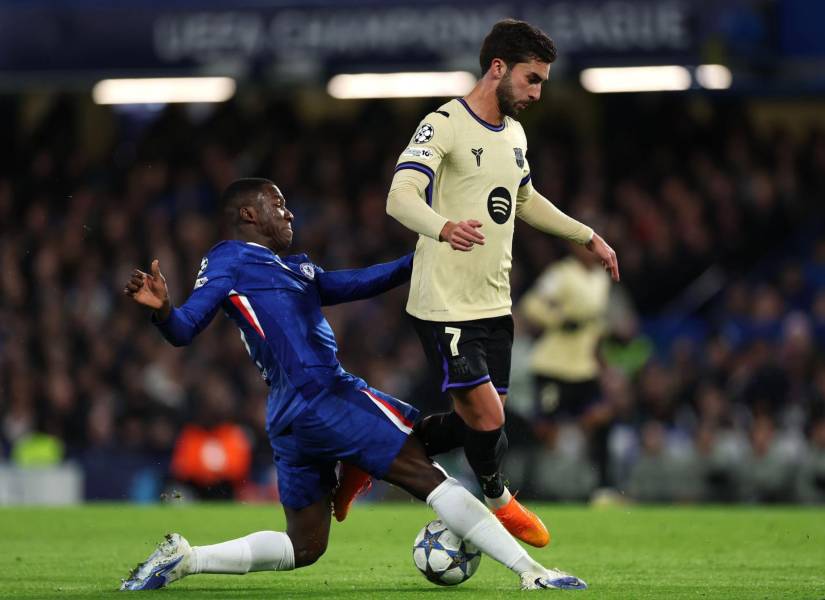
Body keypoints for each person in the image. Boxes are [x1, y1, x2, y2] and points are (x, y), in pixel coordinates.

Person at [119, 178, 586, 591]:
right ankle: (531, 571)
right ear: (248, 214)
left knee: (305, 546)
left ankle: (187, 558)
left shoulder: (290, 267)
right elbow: (183, 329)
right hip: (323, 394)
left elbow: (348, 284)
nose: (289, 213)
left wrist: (417, 258)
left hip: (291, 414)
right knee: (423, 469)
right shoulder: (229, 259)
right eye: (277, 204)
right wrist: (162, 310)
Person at [377, 19, 619, 547]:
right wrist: (443, 226)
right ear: (498, 68)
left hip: (493, 302)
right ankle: (498, 499)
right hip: (443, 303)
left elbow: (526, 199)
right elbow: (399, 197)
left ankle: (370, 452)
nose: (537, 93)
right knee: (487, 416)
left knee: (483, 423)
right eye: (532, 80)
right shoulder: (443, 123)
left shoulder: (514, 133)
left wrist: (586, 237)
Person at [518, 239, 614, 488]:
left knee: (601, 417)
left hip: (584, 366)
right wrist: (558, 319)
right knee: (543, 429)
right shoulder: (561, 274)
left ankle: (603, 487)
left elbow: (596, 324)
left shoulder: (601, 279)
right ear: (574, 247)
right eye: (585, 245)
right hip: (553, 365)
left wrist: (601, 357)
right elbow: (531, 305)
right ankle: (528, 489)